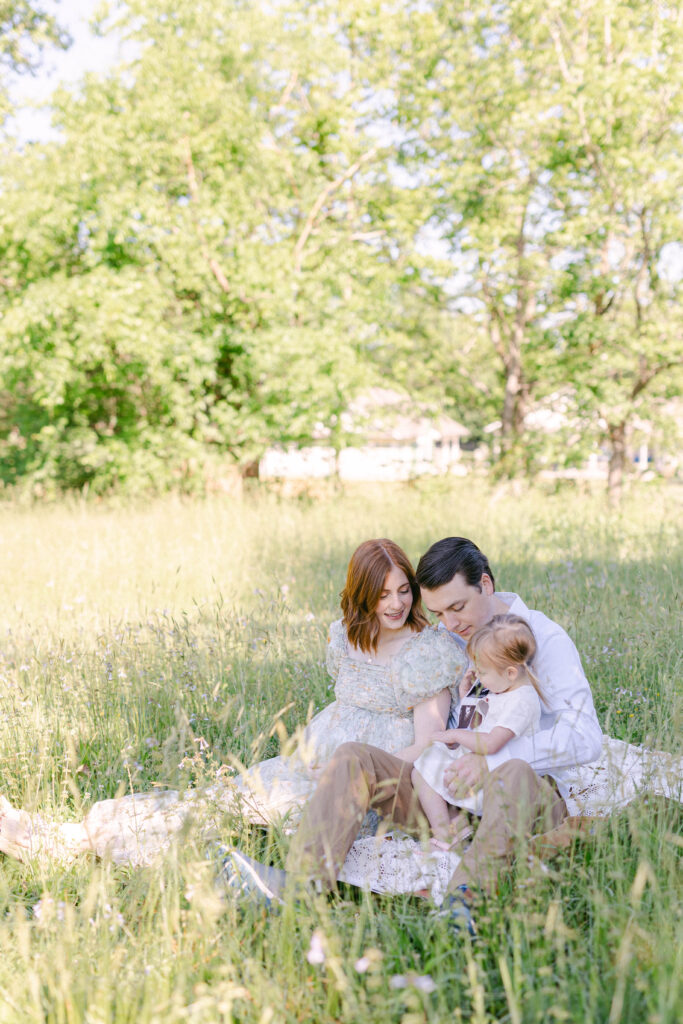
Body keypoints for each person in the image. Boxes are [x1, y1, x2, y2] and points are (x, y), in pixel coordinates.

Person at [0, 539, 467, 865]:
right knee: (223, 799)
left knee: (239, 818)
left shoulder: (424, 650)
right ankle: (69, 836)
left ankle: (71, 842)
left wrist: (342, 772)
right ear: (362, 595)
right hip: (313, 757)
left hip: (364, 780)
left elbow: (427, 746)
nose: (396, 603)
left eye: (403, 590)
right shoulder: (349, 637)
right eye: (382, 593)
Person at [224, 536, 604, 931]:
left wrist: (492, 757)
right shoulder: (454, 637)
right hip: (450, 795)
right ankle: (299, 889)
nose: (451, 624)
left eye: (457, 607)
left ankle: (464, 904)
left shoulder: (545, 639)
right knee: (356, 756)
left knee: (511, 773)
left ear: (486, 585)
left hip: (518, 794)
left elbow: (586, 738)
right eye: (439, 613)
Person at [412, 614, 544, 849]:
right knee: (421, 768)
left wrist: (452, 735)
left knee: (429, 765)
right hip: (478, 760)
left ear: (511, 672)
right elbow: (477, 723)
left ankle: (452, 829)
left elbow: (492, 742)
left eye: (482, 672)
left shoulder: (522, 700)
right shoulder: (501, 687)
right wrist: (467, 698)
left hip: (498, 773)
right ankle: (448, 828)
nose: (479, 677)